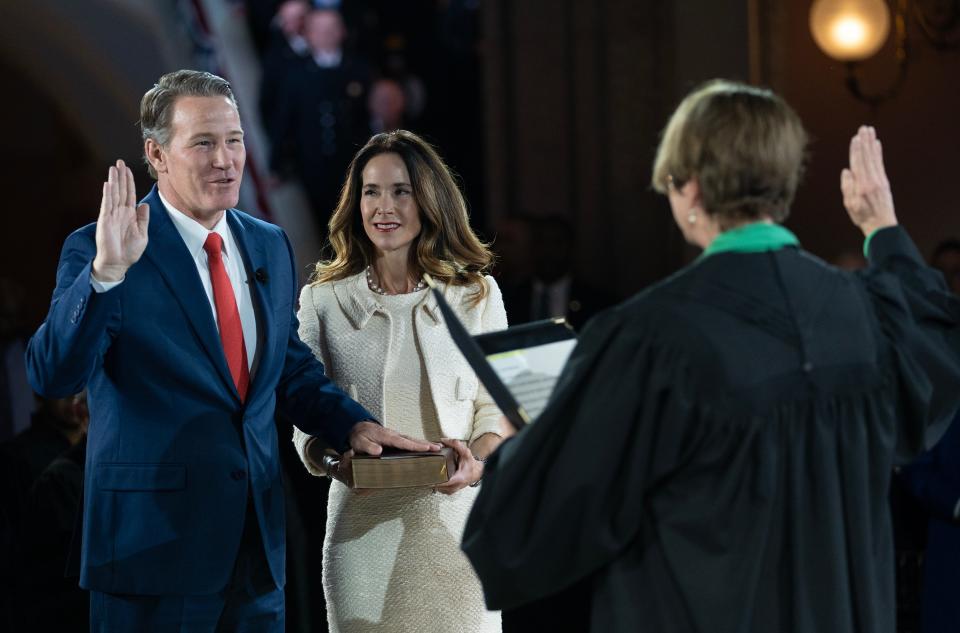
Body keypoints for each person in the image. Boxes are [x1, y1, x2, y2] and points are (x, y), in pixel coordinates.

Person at [461, 80, 960, 632]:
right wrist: (882, 230)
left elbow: (527, 534)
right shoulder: (867, 314)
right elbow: (937, 358)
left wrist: (526, 438)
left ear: (691, 190)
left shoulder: (648, 338)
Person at [24, 69, 435, 633]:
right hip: (151, 555)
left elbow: (285, 367)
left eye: (234, 140)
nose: (226, 159)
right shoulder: (101, 248)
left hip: (255, 553)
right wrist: (104, 276)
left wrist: (350, 425)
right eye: (203, 143)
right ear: (157, 154)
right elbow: (52, 373)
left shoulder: (266, 242)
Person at [291, 129, 507, 632]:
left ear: (428, 199)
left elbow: (497, 408)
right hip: (361, 537)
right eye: (371, 191)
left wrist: (476, 461)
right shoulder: (322, 301)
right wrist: (330, 461)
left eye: (400, 191)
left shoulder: (476, 294)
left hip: (459, 533)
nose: (383, 206)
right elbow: (305, 419)